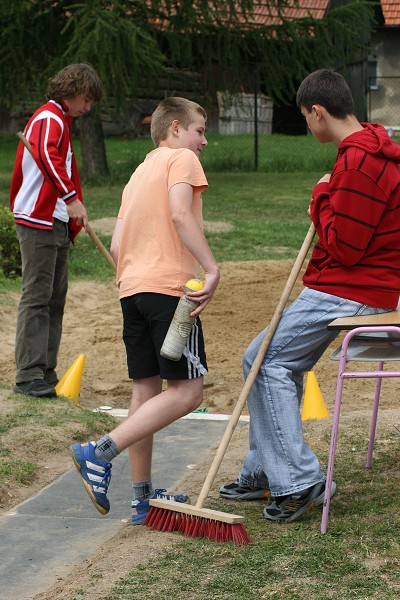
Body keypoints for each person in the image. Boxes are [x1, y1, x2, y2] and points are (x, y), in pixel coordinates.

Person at [219, 68, 400, 522]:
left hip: (350, 289)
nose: (307, 125)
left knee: (265, 361)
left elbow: (345, 246)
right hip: (350, 285)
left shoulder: (361, 163)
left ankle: (299, 482)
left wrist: (321, 196)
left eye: (305, 117)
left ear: (318, 111)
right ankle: (264, 470)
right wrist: (329, 193)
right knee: (270, 359)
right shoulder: (365, 151)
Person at [70, 97, 220, 523]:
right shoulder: (182, 161)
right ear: (175, 128)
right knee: (189, 392)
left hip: (132, 290)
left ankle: (141, 500)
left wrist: (139, 274)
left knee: (146, 391)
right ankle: (99, 452)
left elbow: (118, 246)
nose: (203, 142)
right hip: (170, 292)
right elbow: (179, 214)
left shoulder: (136, 175)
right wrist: (211, 267)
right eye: (200, 131)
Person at [10, 63, 103, 398]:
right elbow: (47, 158)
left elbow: (58, 163)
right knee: (37, 297)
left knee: (54, 298)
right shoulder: (50, 118)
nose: (88, 107)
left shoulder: (62, 120)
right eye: (86, 99)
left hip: (56, 221)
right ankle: (28, 375)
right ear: (70, 90)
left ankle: (45, 370)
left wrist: (71, 209)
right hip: (38, 220)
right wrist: (70, 197)